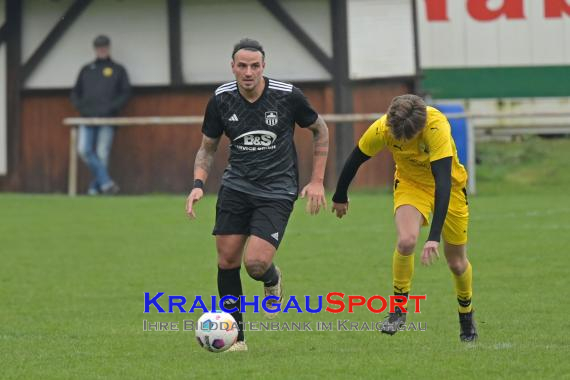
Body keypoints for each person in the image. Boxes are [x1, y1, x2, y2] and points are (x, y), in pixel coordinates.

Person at [185, 38, 329, 352]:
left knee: (255, 263)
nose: (248, 72)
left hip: (277, 189)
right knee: (226, 261)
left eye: (254, 66)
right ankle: (237, 338)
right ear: (232, 67)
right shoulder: (221, 100)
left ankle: (271, 278)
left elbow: (320, 129)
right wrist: (198, 184)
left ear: (263, 66)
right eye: (242, 65)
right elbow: (207, 149)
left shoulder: (288, 96)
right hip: (236, 186)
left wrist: (317, 180)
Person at [331, 94, 478, 342]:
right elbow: (356, 158)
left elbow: (442, 182)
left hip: (449, 189)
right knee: (407, 241)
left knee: (456, 263)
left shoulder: (436, 126)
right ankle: (398, 310)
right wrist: (340, 195)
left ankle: (466, 316)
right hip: (411, 184)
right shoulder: (383, 127)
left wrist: (433, 238)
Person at [71, 35, 131, 195]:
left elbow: (125, 92)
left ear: (108, 48)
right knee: (84, 150)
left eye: (104, 46)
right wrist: (82, 107)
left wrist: (112, 108)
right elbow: (75, 92)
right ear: (95, 49)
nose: (102, 49)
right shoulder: (86, 69)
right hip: (87, 118)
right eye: (99, 47)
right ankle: (106, 183)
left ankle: (95, 188)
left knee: (102, 153)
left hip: (108, 118)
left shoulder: (118, 69)